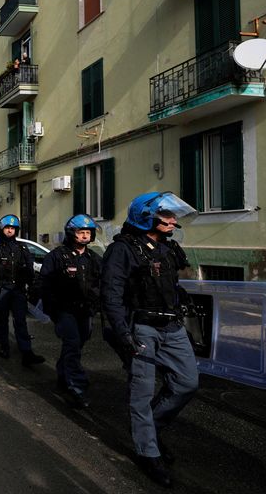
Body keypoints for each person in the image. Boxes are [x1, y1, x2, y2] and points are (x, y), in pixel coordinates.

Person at [101, 191, 199, 488]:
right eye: (166, 216)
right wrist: (123, 333)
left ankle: (151, 430)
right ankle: (148, 452)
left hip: (172, 327)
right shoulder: (123, 250)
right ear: (146, 217)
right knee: (141, 394)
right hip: (142, 328)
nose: (172, 220)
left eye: (172, 215)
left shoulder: (168, 248)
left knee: (187, 382)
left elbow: (171, 284)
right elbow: (111, 295)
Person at [40, 214, 102, 409]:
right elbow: (45, 284)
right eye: (80, 232)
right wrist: (53, 312)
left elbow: (103, 282)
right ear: (71, 234)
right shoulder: (57, 256)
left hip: (86, 311)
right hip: (65, 310)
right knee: (73, 344)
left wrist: (98, 303)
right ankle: (77, 386)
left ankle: (63, 373)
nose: (84, 236)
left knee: (77, 345)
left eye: (87, 233)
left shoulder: (94, 258)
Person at [0, 214, 45, 366]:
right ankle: (4, 346)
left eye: (13, 228)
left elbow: (30, 267)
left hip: (18, 290)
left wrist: (32, 284)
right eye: (7, 228)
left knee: (21, 321)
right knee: (1, 320)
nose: (10, 231)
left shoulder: (22, 248)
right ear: (1, 229)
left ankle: (27, 352)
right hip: (1, 288)